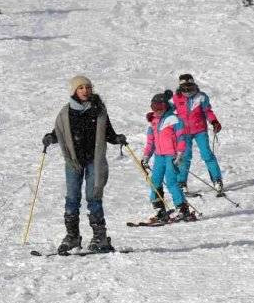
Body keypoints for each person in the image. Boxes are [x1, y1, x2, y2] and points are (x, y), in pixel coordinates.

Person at [42, 76, 127, 253]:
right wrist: (51, 137)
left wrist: (117, 138)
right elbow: (59, 131)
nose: (85, 91)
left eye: (87, 87)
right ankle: (73, 236)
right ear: (74, 91)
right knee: (72, 198)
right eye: (80, 88)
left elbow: (108, 133)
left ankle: (100, 237)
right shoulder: (66, 112)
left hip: (93, 161)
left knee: (93, 196)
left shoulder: (99, 110)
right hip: (73, 161)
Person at [141, 90, 195, 223]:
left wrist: (180, 153)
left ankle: (182, 209)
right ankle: (160, 209)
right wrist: (146, 156)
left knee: (171, 181)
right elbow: (151, 142)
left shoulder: (174, 120)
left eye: (160, 108)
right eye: (154, 108)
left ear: (166, 106)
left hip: (172, 156)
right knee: (155, 182)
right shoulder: (153, 122)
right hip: (159, 157)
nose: (158, 111)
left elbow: (181, 137)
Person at [171, 74, 225, 195]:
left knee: (207, 154)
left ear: (194, 85)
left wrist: (214, 121)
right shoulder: (176, 98)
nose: (187, 90)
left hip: (200, 130)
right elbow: (169, 111)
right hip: (184, 132)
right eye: (184, 87)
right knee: (184, 157)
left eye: (190, 86)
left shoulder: (201, 97)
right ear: (180, 87)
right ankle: (181, 183)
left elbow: (207, 111)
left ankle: (217, 180)